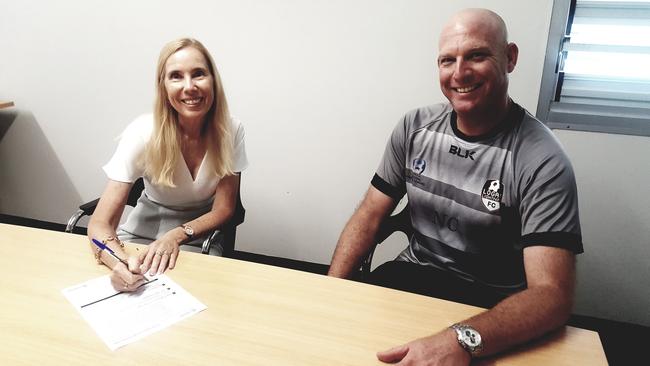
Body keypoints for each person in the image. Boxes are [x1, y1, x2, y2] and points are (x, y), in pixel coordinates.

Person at [328, 8, 583, 365]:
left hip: (491, 305)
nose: (459, 73)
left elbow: (552, 294)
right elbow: (369, 215)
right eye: (448, 60)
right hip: (412, 277)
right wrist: (330, 293)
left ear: (509, 58)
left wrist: (461, 340)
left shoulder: (542, 159)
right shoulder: (414, 127)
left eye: (477, 55)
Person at [88, 38, 248, 293]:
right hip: (139, 236)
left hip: (197, 238)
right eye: (176, 76)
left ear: (213, 80)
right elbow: (99, 224)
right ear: (163, 86)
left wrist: (177, 235)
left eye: (198, 74)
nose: (189, 86)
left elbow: (225, 208)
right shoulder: (142, 132)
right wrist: (116, 261)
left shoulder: (231, 130)